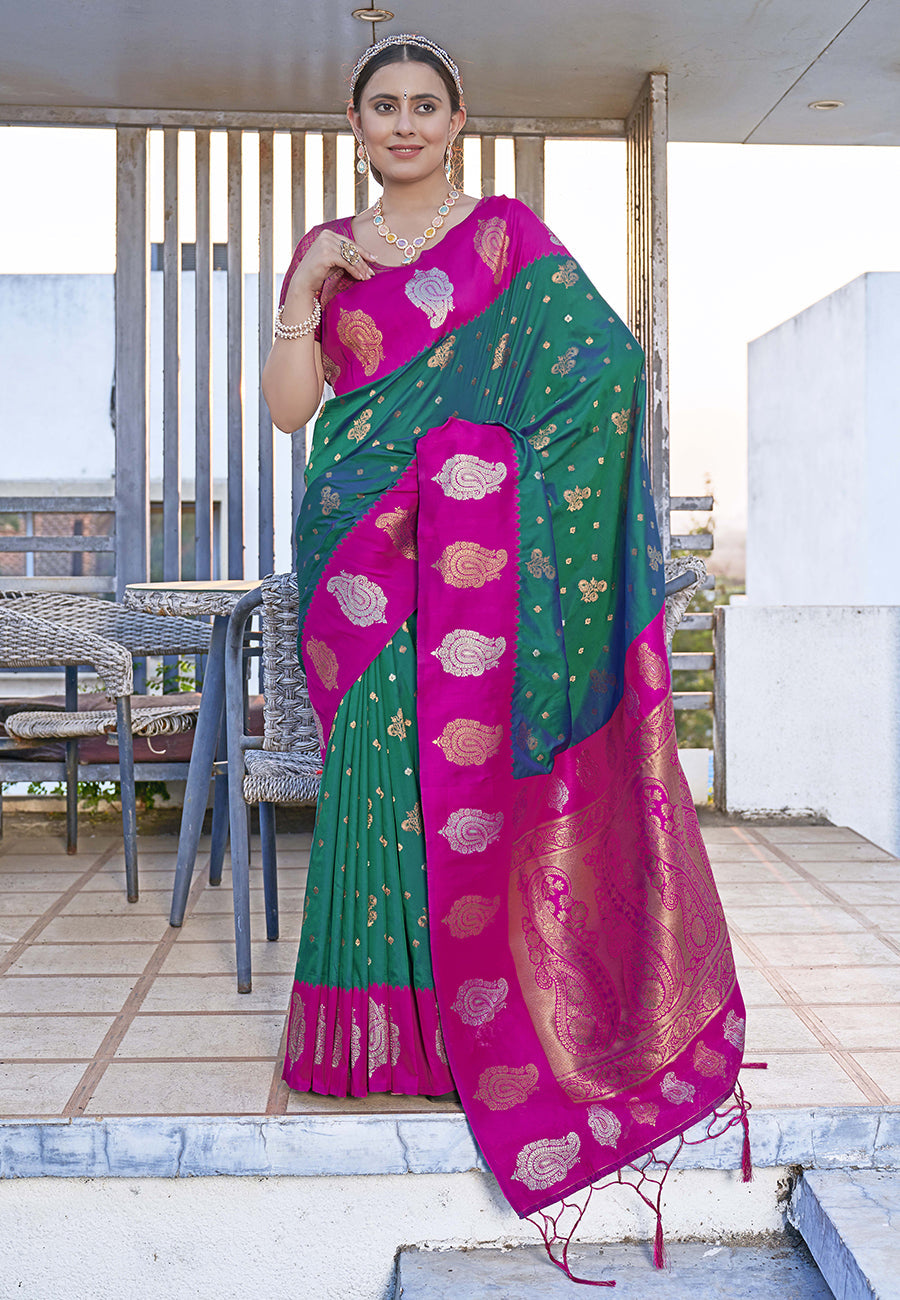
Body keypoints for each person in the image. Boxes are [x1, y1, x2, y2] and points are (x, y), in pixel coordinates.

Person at [262, 33, 748, 1273]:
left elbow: (607, 370)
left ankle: (461, 1031)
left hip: (466, 553)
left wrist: (478, 466)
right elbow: (292, 408)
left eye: (425, 105)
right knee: (376, 776)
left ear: (457, 120)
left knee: (457, 779)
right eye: (384, 106)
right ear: (356, 125)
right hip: (358, 551)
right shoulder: (330, 250)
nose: (404, 123)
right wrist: (304, 289)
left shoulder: (504, 244)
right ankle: (369, 1034)